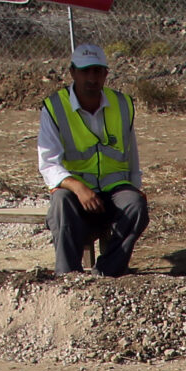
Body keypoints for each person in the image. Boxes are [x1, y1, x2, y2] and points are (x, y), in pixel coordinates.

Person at [37, 43, 147, 276]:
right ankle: (68, 277)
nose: (91, 77)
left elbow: (131, 153)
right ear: (72, 72)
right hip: (76, 193)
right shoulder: (55, 107)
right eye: (85, 71)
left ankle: (106, 274)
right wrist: (77, 187)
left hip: (113, 190)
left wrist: (135, 187)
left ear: (106, 74)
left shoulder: (122, 104)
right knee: (61, 204)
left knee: (136, 205)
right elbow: (48, 164)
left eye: (97, 71)